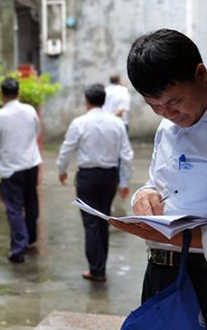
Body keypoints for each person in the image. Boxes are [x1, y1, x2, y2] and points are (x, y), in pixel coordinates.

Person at [110, 28, 207, 330]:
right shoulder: (167, 128)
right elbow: (160, 183)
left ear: (200, 73)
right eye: (154, 106)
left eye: (174, 101)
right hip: (160, 274)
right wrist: (145, 196)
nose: (167, 113)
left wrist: (186, 238)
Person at [56, 83, 133, 281]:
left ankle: (96, 269)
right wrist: (124, 182)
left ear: (86, 101)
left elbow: (67, 149)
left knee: (91, 222)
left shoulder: (79, 123)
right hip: (110, 177)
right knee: (103, 219)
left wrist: (61, 170)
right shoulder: (116, 123)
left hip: (88, 177)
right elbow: (126, 154)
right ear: (104, 101)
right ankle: (100, 267)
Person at [0, 77, 42, 263]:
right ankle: (31, 237)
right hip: (31, 163)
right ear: (18, 93)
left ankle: (19, 248)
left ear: (2, 94)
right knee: (31, 203)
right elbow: (37, 132)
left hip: (11, 168)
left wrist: (1, 156)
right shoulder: (30, 110)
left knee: (14, 209)